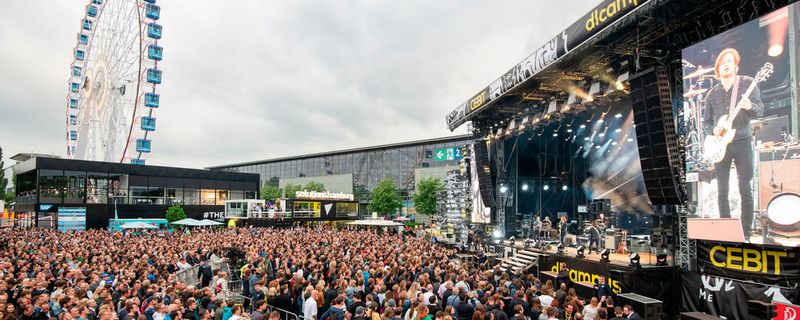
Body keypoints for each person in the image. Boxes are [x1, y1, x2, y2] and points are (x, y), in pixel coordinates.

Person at [702, 47, 763, 240]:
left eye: (730, 61)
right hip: (721, 144)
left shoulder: (747, 84)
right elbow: (706, 122)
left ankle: (745, 232)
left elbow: (760, 109)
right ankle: (726, 231)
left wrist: (750, 106)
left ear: (735, 67)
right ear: (718, 69)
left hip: (742, 140)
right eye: (723, 62)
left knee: (745, 187)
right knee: (722, 189)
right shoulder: (711, 94)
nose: (726, 64)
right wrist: (714, 131)